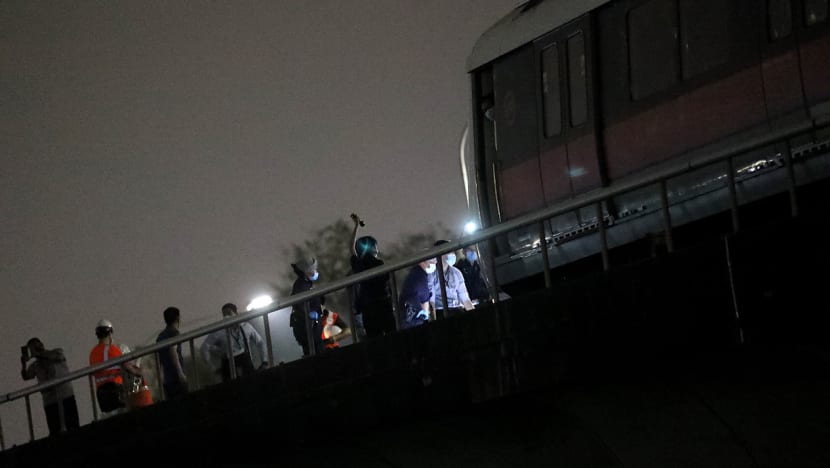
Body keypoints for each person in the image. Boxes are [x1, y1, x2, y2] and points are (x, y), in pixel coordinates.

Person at [349, 213, 396, 338]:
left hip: (367, 308)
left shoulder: (359, 265)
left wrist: (356, 226)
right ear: (373, 247)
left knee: (374, 340)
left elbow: (351, 248)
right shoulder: (379, 264)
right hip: (383, 305)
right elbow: (387, 282)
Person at [20, 338, 80, 435]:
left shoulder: (56, 352)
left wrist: (39, 353)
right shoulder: (36, 365)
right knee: (55, 431)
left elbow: (56, 357)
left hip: (65, 397)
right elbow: (26, 376)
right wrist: (23, 364)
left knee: (73, 427)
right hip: (50, 402)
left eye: (33, 348)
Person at [200, 303, 269, 383]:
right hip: (228, 371)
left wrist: (264, 361)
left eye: (229, 313)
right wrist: (212, 367)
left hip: (247, 368)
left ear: (236, 314)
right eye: (224, 315)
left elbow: (260, 342)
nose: (226, 317)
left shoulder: (246, 327)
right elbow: (204, 348)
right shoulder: (219, 331)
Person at [89, 319, 142, 416]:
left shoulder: (93, 353)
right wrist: (140, 372)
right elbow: (129, 369)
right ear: (110, 333)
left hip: (101, 393)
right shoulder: (113, 349)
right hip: (115, 390)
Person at [429, 240, 475, 319]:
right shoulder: (431, 275)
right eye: (449, 251)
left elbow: (465, 299)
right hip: (440, 311)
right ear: (440, 253)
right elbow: (431, 302)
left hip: (457, 309)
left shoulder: (456, 273)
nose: (453, 254)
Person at [290, 256, 325, 355]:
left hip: (312, 331)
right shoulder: (301, 286)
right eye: (314, 270)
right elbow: (300, 305)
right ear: (307, 272)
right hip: (308, 331)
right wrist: (311, 314)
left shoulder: (306, 284)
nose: (316, 272)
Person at [156, 306, 188, 400]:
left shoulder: (160, 336)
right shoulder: (174, 332)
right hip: (176, 375)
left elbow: (160, 358)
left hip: (167, 378)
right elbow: (173, 351)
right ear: (177, 318)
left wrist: (161, 377)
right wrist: (180, 373)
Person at [398, 257, 436, 330]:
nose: (435, 262)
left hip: (410, 319)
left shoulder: (417, 274)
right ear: (423, 260)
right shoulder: (419, 277)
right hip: (412, 321)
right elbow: (424, 300)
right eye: (433, 260)